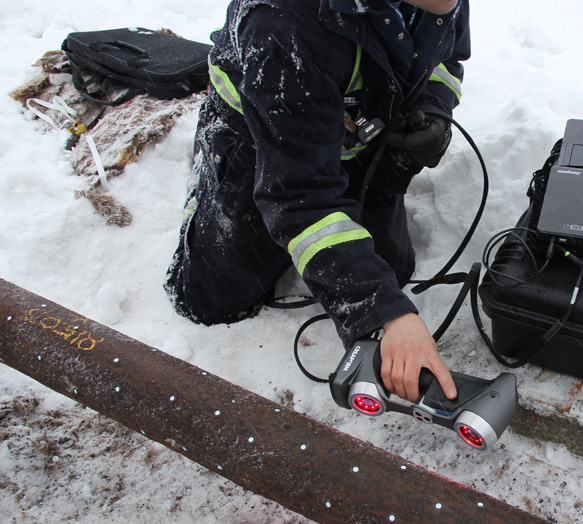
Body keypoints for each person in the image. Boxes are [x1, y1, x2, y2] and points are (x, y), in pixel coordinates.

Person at [165, 0, 469, 403]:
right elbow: (300, 193)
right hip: (266, 138)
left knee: (392, 269)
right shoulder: (285, 19)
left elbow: (447, 57)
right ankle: (209, 181)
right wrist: (387, 313)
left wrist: (433, 107)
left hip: (357, 125)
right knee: (209, 299)